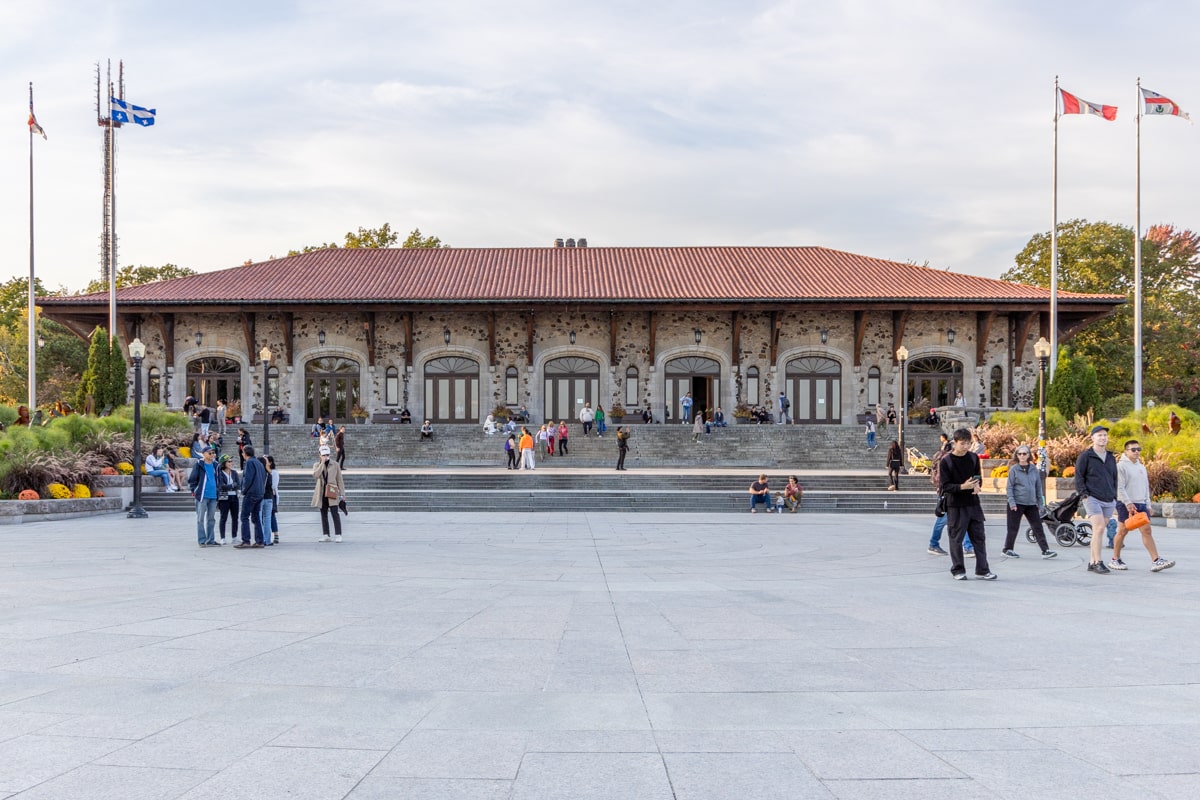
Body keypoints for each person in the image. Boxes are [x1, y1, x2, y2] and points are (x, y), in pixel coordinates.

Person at [939, 427, 995, 580]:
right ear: (955, 443)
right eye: (962, 444)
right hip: (955, 505)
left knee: (979, 538)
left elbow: (978, 477)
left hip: (973, 503)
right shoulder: (946, 461)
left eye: (968, 443)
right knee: (956, 539)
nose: (966, 447)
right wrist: (962, 486)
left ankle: (983, 569)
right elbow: (945, 486)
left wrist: (977, 486)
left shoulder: (973, 458)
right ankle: (958, 570)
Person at [1112, 439, 1175, 572]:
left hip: (1141, 504)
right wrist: (1128, 503)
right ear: (1126, 451)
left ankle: (1156, 560)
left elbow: (1146, 487)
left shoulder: (1141, 466)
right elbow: (1120, 487)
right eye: (1133, 450)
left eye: (1138, 450)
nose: (1136, 452)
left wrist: (1148, 505)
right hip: (1125, 504)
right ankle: (1115, 559)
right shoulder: (1120, 466)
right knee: (1123, 531)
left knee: (1147, 531)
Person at [1075, 424, 1119, 574]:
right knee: (1099, 528)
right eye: (1099, 435)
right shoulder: (1086, 456)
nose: (1103, 438)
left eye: (1105, 435)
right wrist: (1084, 494)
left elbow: (1114, 477)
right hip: (1092, 497)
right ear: (1092, 438)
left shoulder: (1111, 457)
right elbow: (1079, 476)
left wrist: (1114, 496)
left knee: (1097, 531)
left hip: (1108, 498)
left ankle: (1091, 562)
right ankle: (1099, 562)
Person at [1002, 446, 1056, 559]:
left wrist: (1040, 503)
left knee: (1037, 527)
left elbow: (1038, 487)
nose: (1022, 456)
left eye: (1024, 453)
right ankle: (1007, 549)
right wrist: (1012, 502)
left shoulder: (1033, 469)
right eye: (1019, 454)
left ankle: (1045, 550)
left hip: (1031, 504)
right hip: (1017, 503)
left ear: (1028, 455)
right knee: (1013, 528)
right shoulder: (1014, 469)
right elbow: (1010, 487)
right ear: (1016, 456)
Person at [187, 448, 220, 547]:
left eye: (213, 453)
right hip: (202, 495)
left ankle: (210, 540)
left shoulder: (216, 465)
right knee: (200, 519)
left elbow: (219, 478)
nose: (212, 454)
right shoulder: (199, 464)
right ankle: (202, 540)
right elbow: (192, 479)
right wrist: (195, 490)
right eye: (210, 453)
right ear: (204, 454)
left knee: (211, 519)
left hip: (213, 495)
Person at [235, 445, 266, 549]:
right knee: (256, 517)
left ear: (245, 453)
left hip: (251, 493)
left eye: (242, 452)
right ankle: (260, 541)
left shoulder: (249, 462)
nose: (242, 454)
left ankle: (246, 540)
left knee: (244, 516)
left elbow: (248, 478)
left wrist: (243, 490)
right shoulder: (259, 462)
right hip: (260, 493)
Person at [312, 444, 345, 542]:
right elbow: (316, 475)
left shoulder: (335, 465)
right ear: (319, 455)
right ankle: (326, 534)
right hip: (321, 492)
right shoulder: (316, 465)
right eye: (323, 455)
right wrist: (322, 464)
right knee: (323, 514)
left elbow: (339, 479)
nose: (325, 456)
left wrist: (342, 493)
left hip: (332, 491)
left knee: (335, 513)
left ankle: (338, 534)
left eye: (327, 454)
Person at [216, 454, 240, 544]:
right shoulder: (220, 473)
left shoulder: (234, 473)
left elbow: (238, 484)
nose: (230, 463)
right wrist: (231, 486)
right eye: (228, 461)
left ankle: (234, 536)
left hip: (234, 497)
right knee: (223, 517)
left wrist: (231, 486)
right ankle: (222, 537)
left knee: (235, 517)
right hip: (224, 498)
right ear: (224, 463)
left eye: (231, 461)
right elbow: (221, 486)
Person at [259, 455, 278, 546]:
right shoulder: (269, 473)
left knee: (261, 518)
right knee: (267, 518)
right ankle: (267, 540)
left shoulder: (260, 474)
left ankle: (261, 539)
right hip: (269, 497)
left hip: (261, 497)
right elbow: (272, 486)